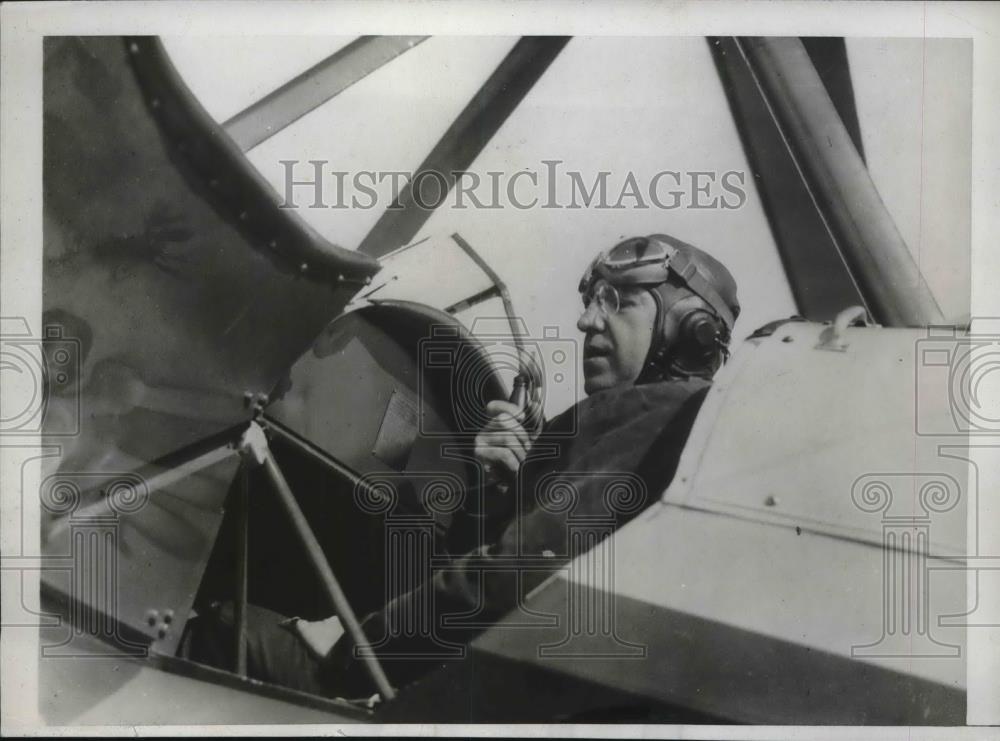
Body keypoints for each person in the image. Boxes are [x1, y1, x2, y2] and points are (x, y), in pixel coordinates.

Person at [183, 233, 740, 700]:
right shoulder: (636, 428)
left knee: (227, 632)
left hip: (459, 692)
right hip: (478, 687)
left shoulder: (662, 411)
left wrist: (353, 644)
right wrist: (493, 492)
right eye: (592, 300)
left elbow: (521, 577)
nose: (587, 321)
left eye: (618, 301)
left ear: (690, 329)